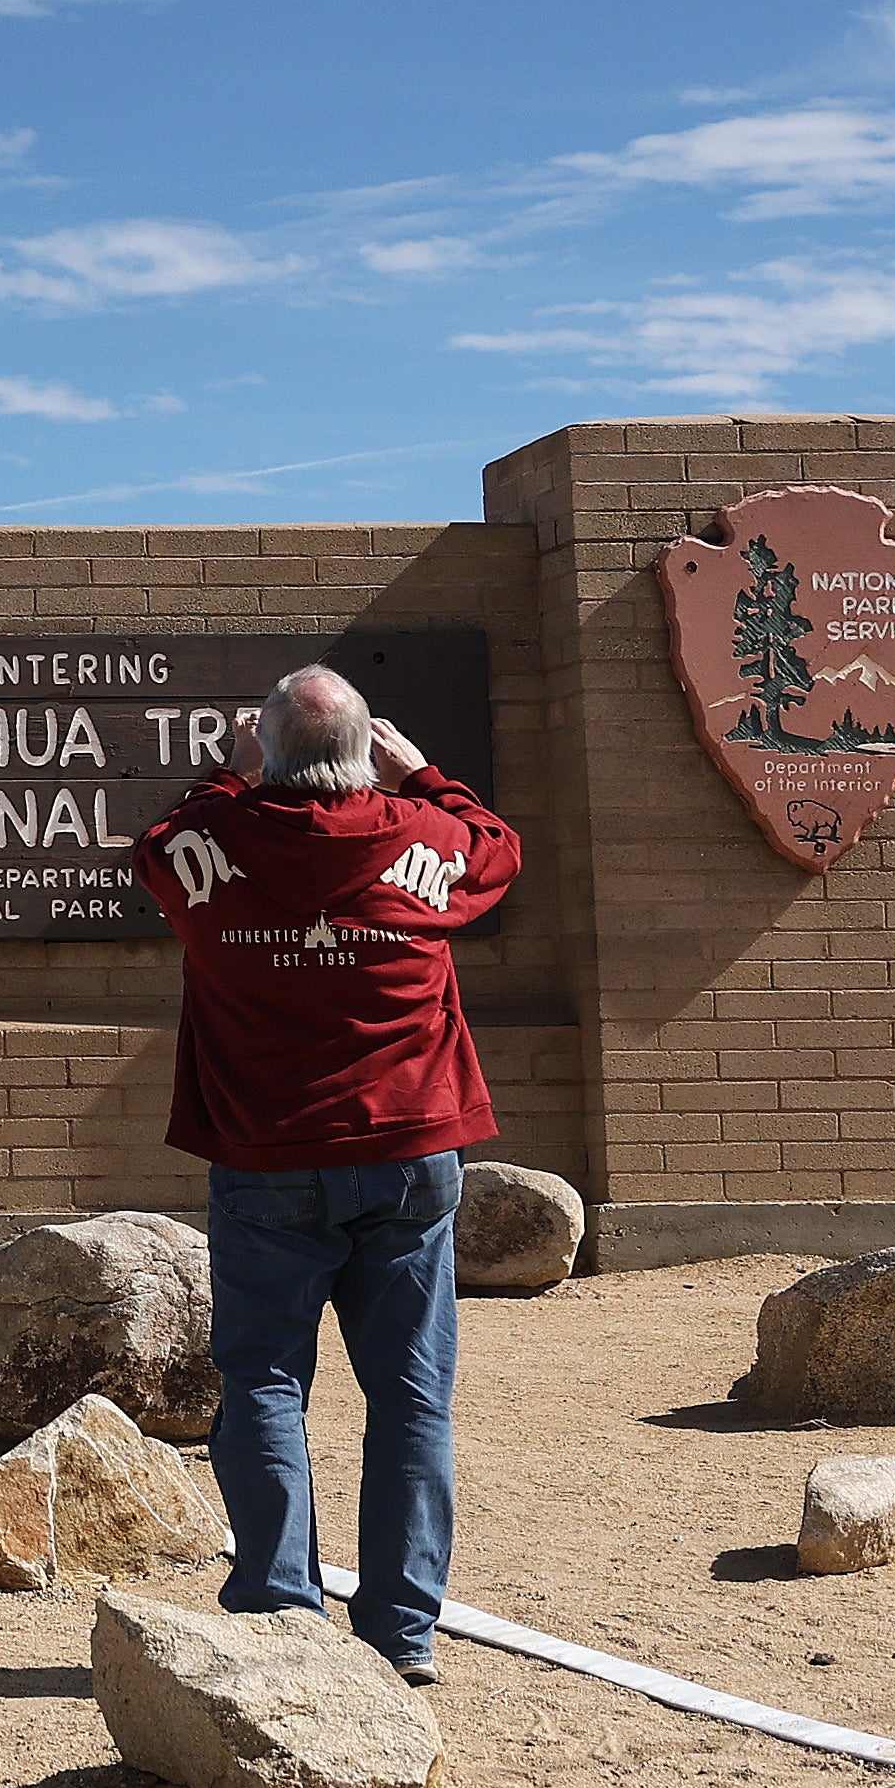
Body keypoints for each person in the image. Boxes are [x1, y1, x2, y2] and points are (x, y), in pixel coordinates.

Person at [128, 667, 523, 1686]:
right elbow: (497, 847)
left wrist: (228, 773)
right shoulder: (422, 835)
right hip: (407, 1153)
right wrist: (421, 772)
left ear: (267, 752)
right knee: (411, 1397)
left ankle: (281, 1611)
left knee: (263, 1380)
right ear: (365, 754)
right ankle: (401, 1635)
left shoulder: (211, 840)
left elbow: (159, 846)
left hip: (267, 1159)